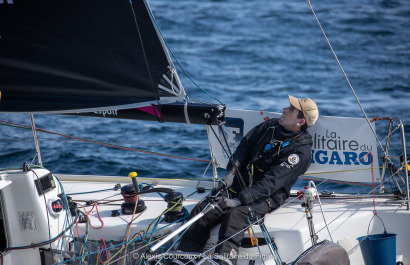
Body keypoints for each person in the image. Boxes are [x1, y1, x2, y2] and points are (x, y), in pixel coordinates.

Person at [175, 95, 319, 265]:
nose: (284, 109)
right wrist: (232, 171)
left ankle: (223, 261)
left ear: (300, 122)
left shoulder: (300, 152)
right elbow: (245, 146)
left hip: (268, 196)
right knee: (204, 209)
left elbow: (271, 183)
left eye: (291, 109)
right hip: (240, 183)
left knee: (235, 216)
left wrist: (238, 201)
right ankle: (183, 259)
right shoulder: (270, 126)